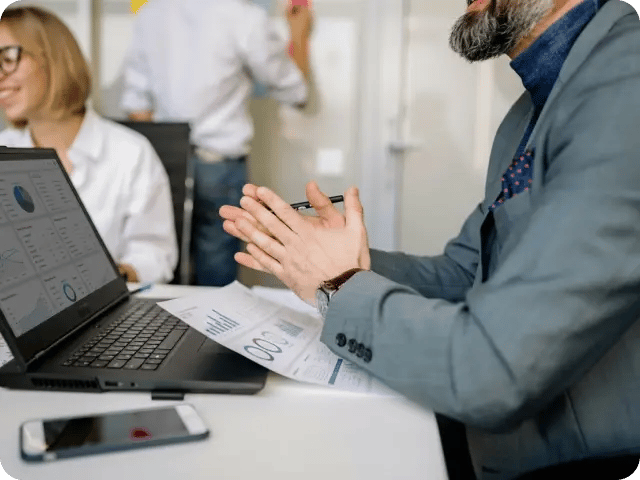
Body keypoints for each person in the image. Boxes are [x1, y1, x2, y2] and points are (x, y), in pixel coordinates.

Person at [220, 0, 640, 478]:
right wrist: (334, 258)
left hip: (552, 455)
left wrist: (339, 284)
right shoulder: (537, 103)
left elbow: (493, 374)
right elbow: (462, 272)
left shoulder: (625, 86)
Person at [120, 0, 311, 286]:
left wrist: (161, 160)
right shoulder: (243, 17)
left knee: (161, 270)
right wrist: (300, 33)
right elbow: (295, 91)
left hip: (164, 164)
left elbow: (137, 105)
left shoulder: (150, 14)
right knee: (216, 283)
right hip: (218, 167)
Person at [0, 6, 178, 284]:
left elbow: (155, 254)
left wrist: (116, 275)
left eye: (8, 57)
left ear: (54, 59)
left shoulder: (131, 153)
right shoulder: (4, 149)